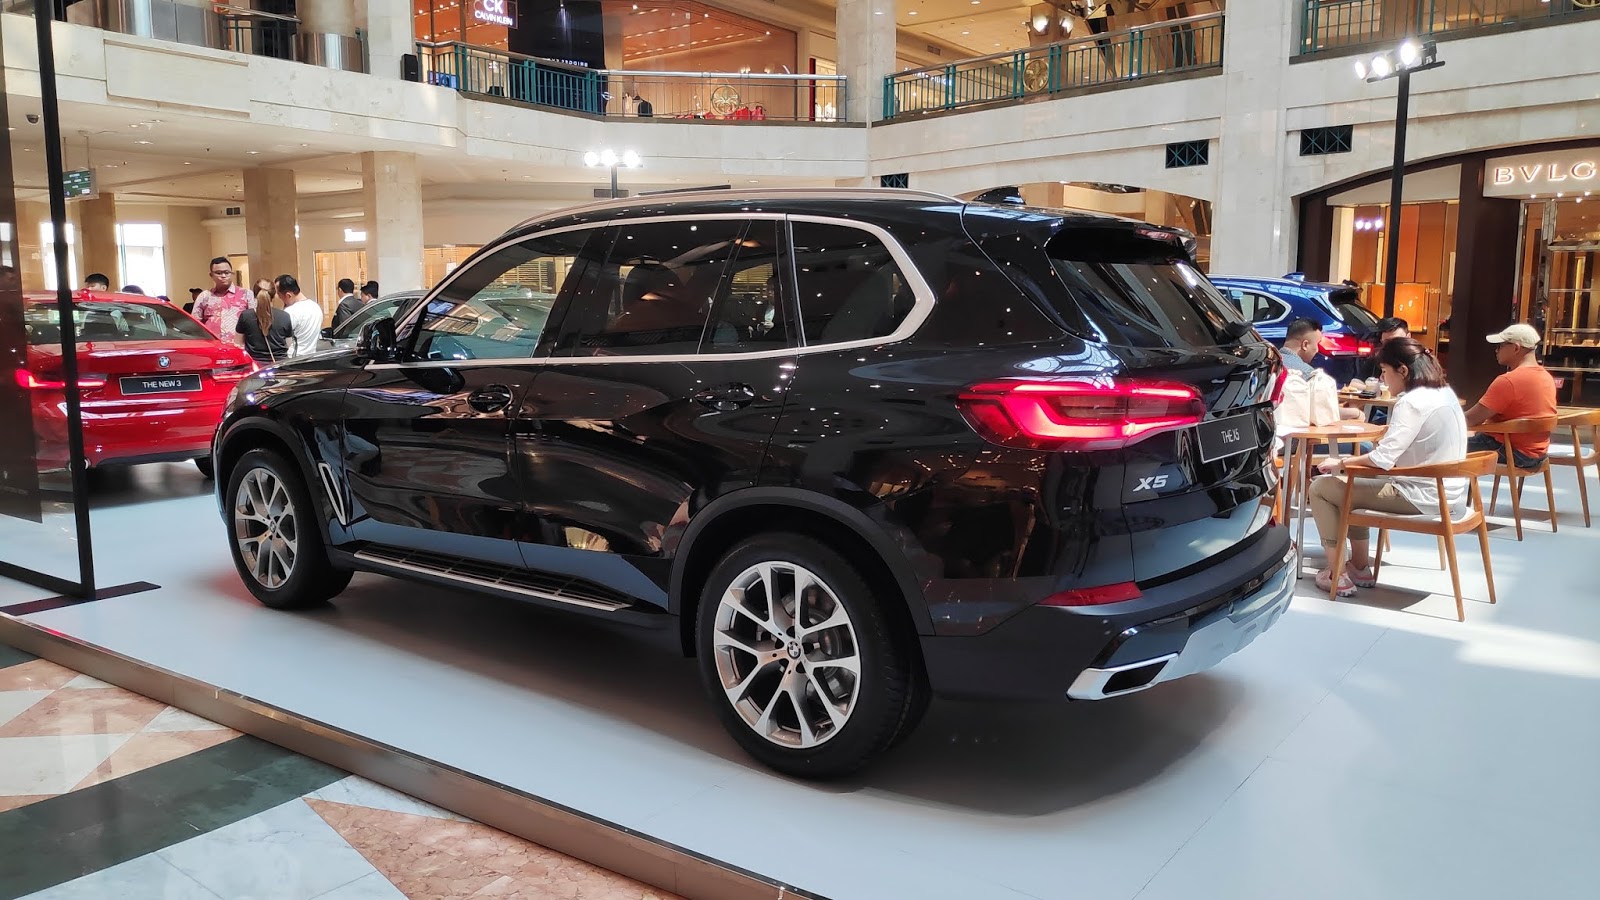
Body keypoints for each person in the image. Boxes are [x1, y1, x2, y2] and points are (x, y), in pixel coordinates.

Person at [1308, 338, 1468, 597]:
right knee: (1352, 483)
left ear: (1402, 370)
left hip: (1420, 495)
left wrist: (1342, 462)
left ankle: (1337, 573)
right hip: (1450, 493)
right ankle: (1359, 567)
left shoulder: (1411, 401)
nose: (1383, 379)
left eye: (1384, 371)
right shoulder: (1444, 392)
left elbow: (1382, 459)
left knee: (1321, 488)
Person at [1464, 323, 1558, 468]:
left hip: (1510, 451)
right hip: (1537, 453)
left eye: (1500, 346)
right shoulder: (1546, 377)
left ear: (1515, 348)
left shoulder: (1508, 381)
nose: (1496, 350)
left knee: (1441, 445)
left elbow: (1470, 419)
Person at [1281, 318, 1363, 420]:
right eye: (1317, 344)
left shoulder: (1268, 364)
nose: (1317, 350)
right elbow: (1324, 413)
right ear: (1305, 345)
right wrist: (1356, 413)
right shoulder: (1307, 374)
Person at [193, 258, 253, 346]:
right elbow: (195, 324)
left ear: (232, 274)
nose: (223, 276)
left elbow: (254, 322)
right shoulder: (204, 296)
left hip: (239, 347)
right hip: (212, 347)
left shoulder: (246, 294)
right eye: (219, 273)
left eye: (227, 272)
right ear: (211, 275)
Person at [236, 288, 294, 366]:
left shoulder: (245, 316)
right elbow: (288, 343)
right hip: (280, 365)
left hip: (255, 365)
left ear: (254, 295)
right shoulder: (284, 316)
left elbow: (238, 344)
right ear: (274, 295)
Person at [277, 274, 323, 358]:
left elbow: (281, 338)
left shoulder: (290, 312)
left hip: (294, 358)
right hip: (311, 356)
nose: (281, 300)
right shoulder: (316, 307)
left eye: (280, 297)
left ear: (288, 295)